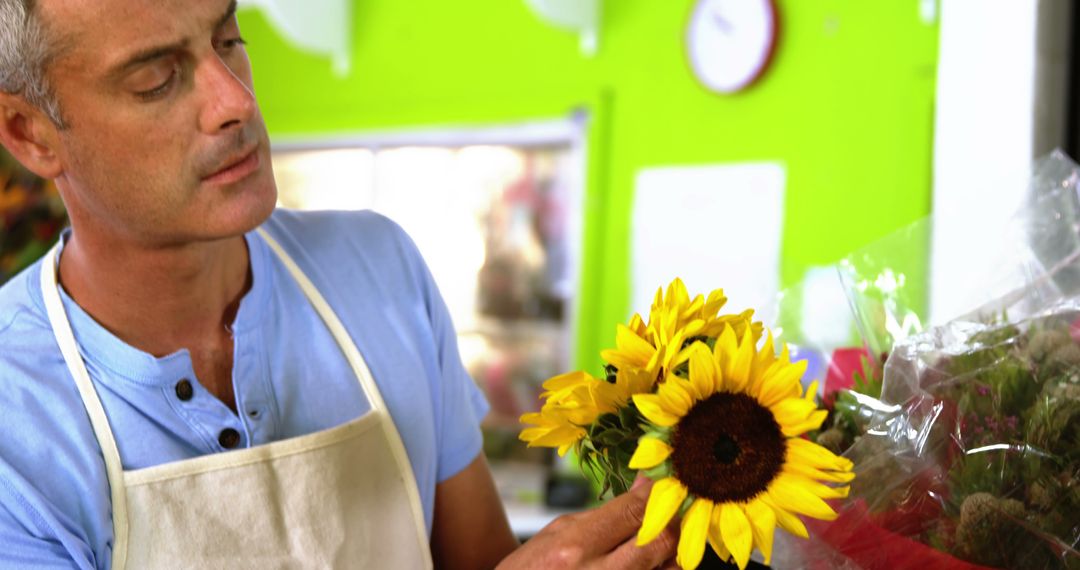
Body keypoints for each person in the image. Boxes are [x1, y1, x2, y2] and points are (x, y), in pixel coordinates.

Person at [0, 0, 679, 567]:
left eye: (230, 39)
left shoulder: (379, 270)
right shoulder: (15, 418)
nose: (235, 100)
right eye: (155, 79)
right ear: (30, 134)